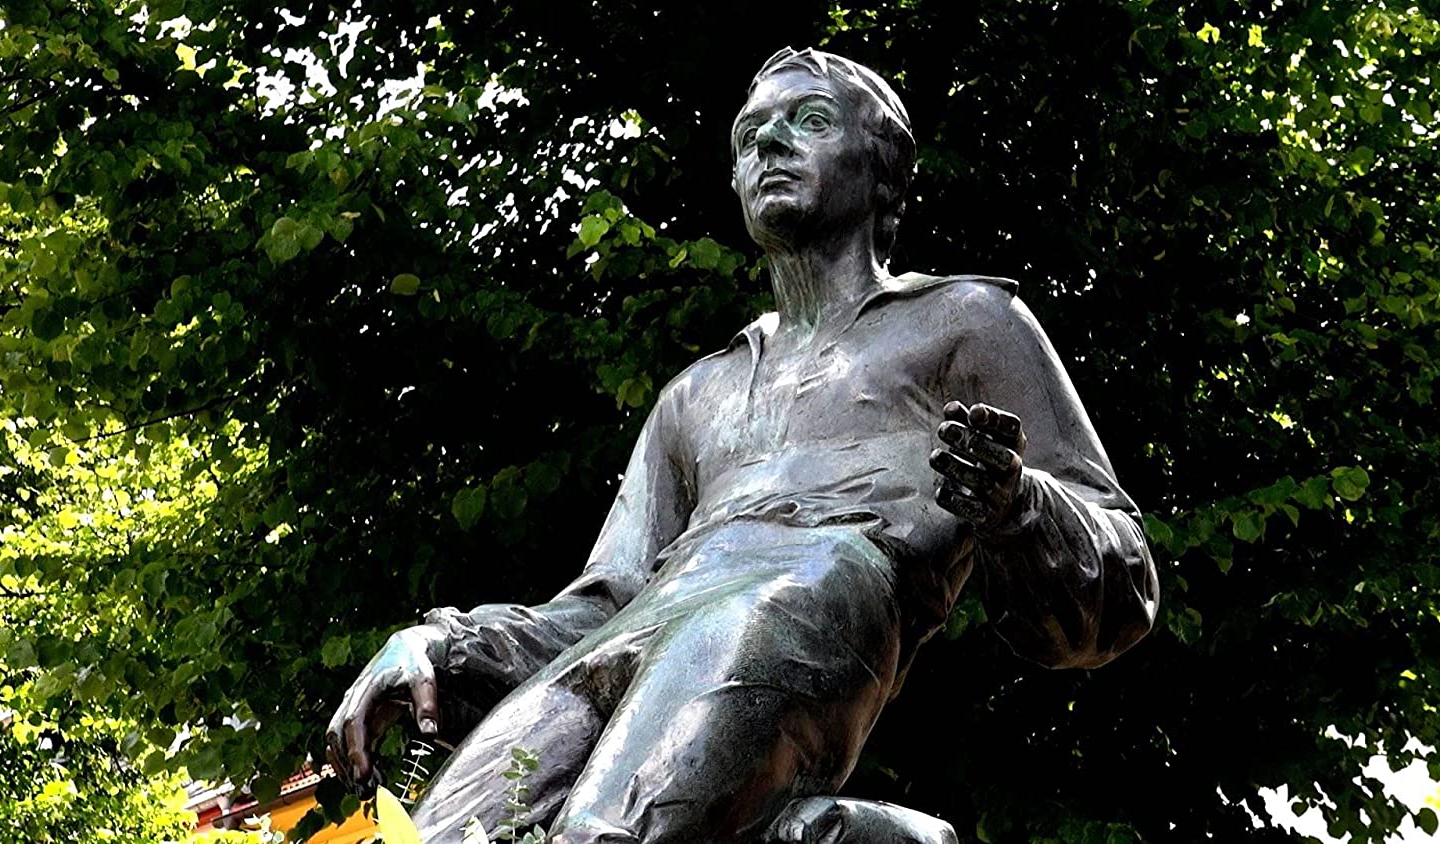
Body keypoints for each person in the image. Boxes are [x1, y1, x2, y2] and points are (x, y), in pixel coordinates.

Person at [326, 47, 1159, 844]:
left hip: (817, 591)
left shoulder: (966, 322)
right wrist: (447, 644)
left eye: (810, 120)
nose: (771, 144)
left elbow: (1122, 575)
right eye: (751, 134)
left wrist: (1019, 503)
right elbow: (602, 606)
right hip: (638, 633)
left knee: (601, 834)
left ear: (884, 172)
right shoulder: (697, 395)